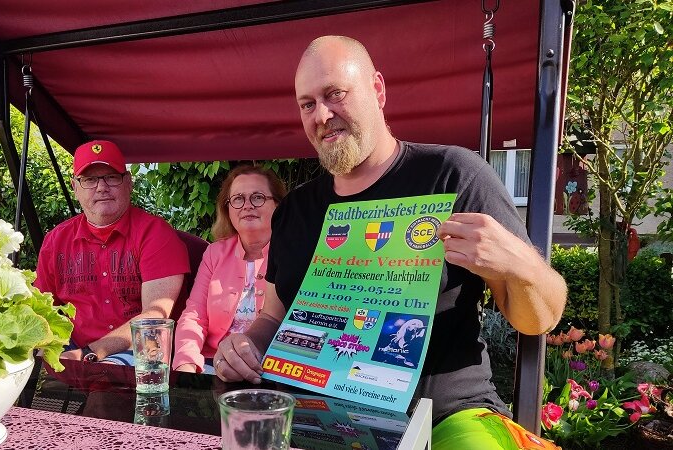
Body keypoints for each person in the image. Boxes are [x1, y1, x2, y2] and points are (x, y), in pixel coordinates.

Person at [213, 36, 567, 449]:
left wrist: (519, 264)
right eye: (307, 104)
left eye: (335, 94)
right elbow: (272, 316)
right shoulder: (295, 209)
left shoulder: (453, 175)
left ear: (377, 90)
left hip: (444, 418)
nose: (321, 115)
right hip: (312, 417)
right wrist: (244, 344)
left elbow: (541, 317)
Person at [36, 140, 189, 365]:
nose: (101, 187)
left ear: (128, 182)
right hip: (74, 345)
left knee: (105, 384)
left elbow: (153, 318)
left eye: (111, 177)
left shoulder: (156, 234)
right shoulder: (55, 241)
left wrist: (90, 353)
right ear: (74, 187)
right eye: (89, 179)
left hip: (141, 348)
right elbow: (40, 309)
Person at [172, 165, 286, 374]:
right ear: (228, 209)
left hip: (273, 368)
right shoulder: (214, 253)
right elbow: (195, 316)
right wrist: (186, 362)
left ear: (278, 205)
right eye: (238, 199)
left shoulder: (293, 251)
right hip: (213, 364)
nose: (247, 206)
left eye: (258, 197)